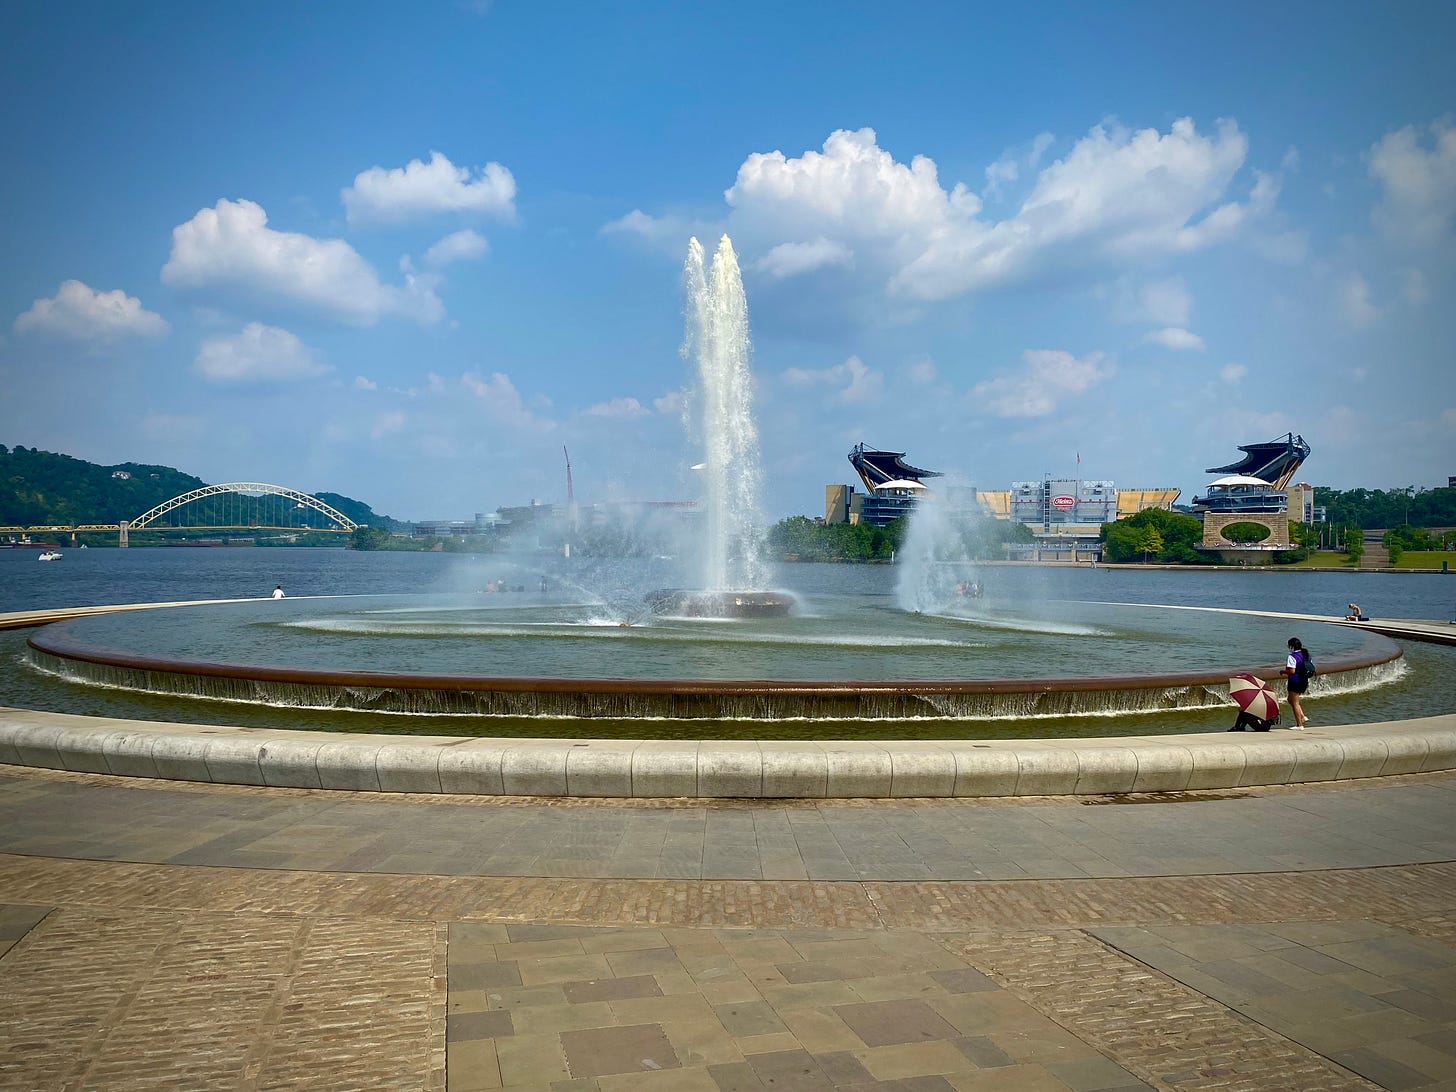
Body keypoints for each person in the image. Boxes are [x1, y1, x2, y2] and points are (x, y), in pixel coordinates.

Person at [1282, 637, 1313, 728]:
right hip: (1304, 681)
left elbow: (1292, 671)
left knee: (1295, 703)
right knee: (1290, 700)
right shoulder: (1307, 655)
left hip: (1295, 681)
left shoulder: (1292, 656)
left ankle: (1299, 725)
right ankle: (1303, 717)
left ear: (1291, 646)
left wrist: (1283, 672)